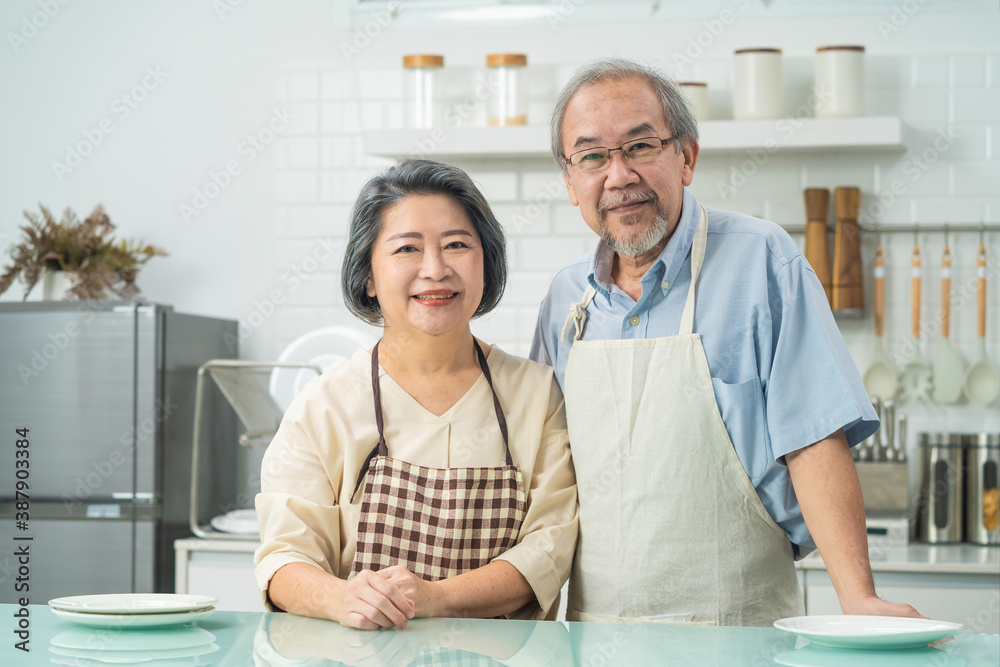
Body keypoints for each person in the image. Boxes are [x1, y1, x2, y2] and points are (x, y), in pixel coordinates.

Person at [530, 58, 923, 626]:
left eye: (640, 147)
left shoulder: (762, 261)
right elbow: (547, 471)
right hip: (597, 636)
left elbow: (812, 438)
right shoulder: (567, 299)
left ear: (685, 157)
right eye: (592, 157)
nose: (618, 176)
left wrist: (857, 597)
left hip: (740, 629)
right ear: (571, 182)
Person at [255, 159, 578, 630]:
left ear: (486, 266)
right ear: (368, 276)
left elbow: (549, 549)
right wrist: (342, 598)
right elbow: (284, 559)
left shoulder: (536, 394)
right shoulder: (324, 405)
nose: (435, 269)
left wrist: (434, 598)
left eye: (457, 245)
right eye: (407, 248)